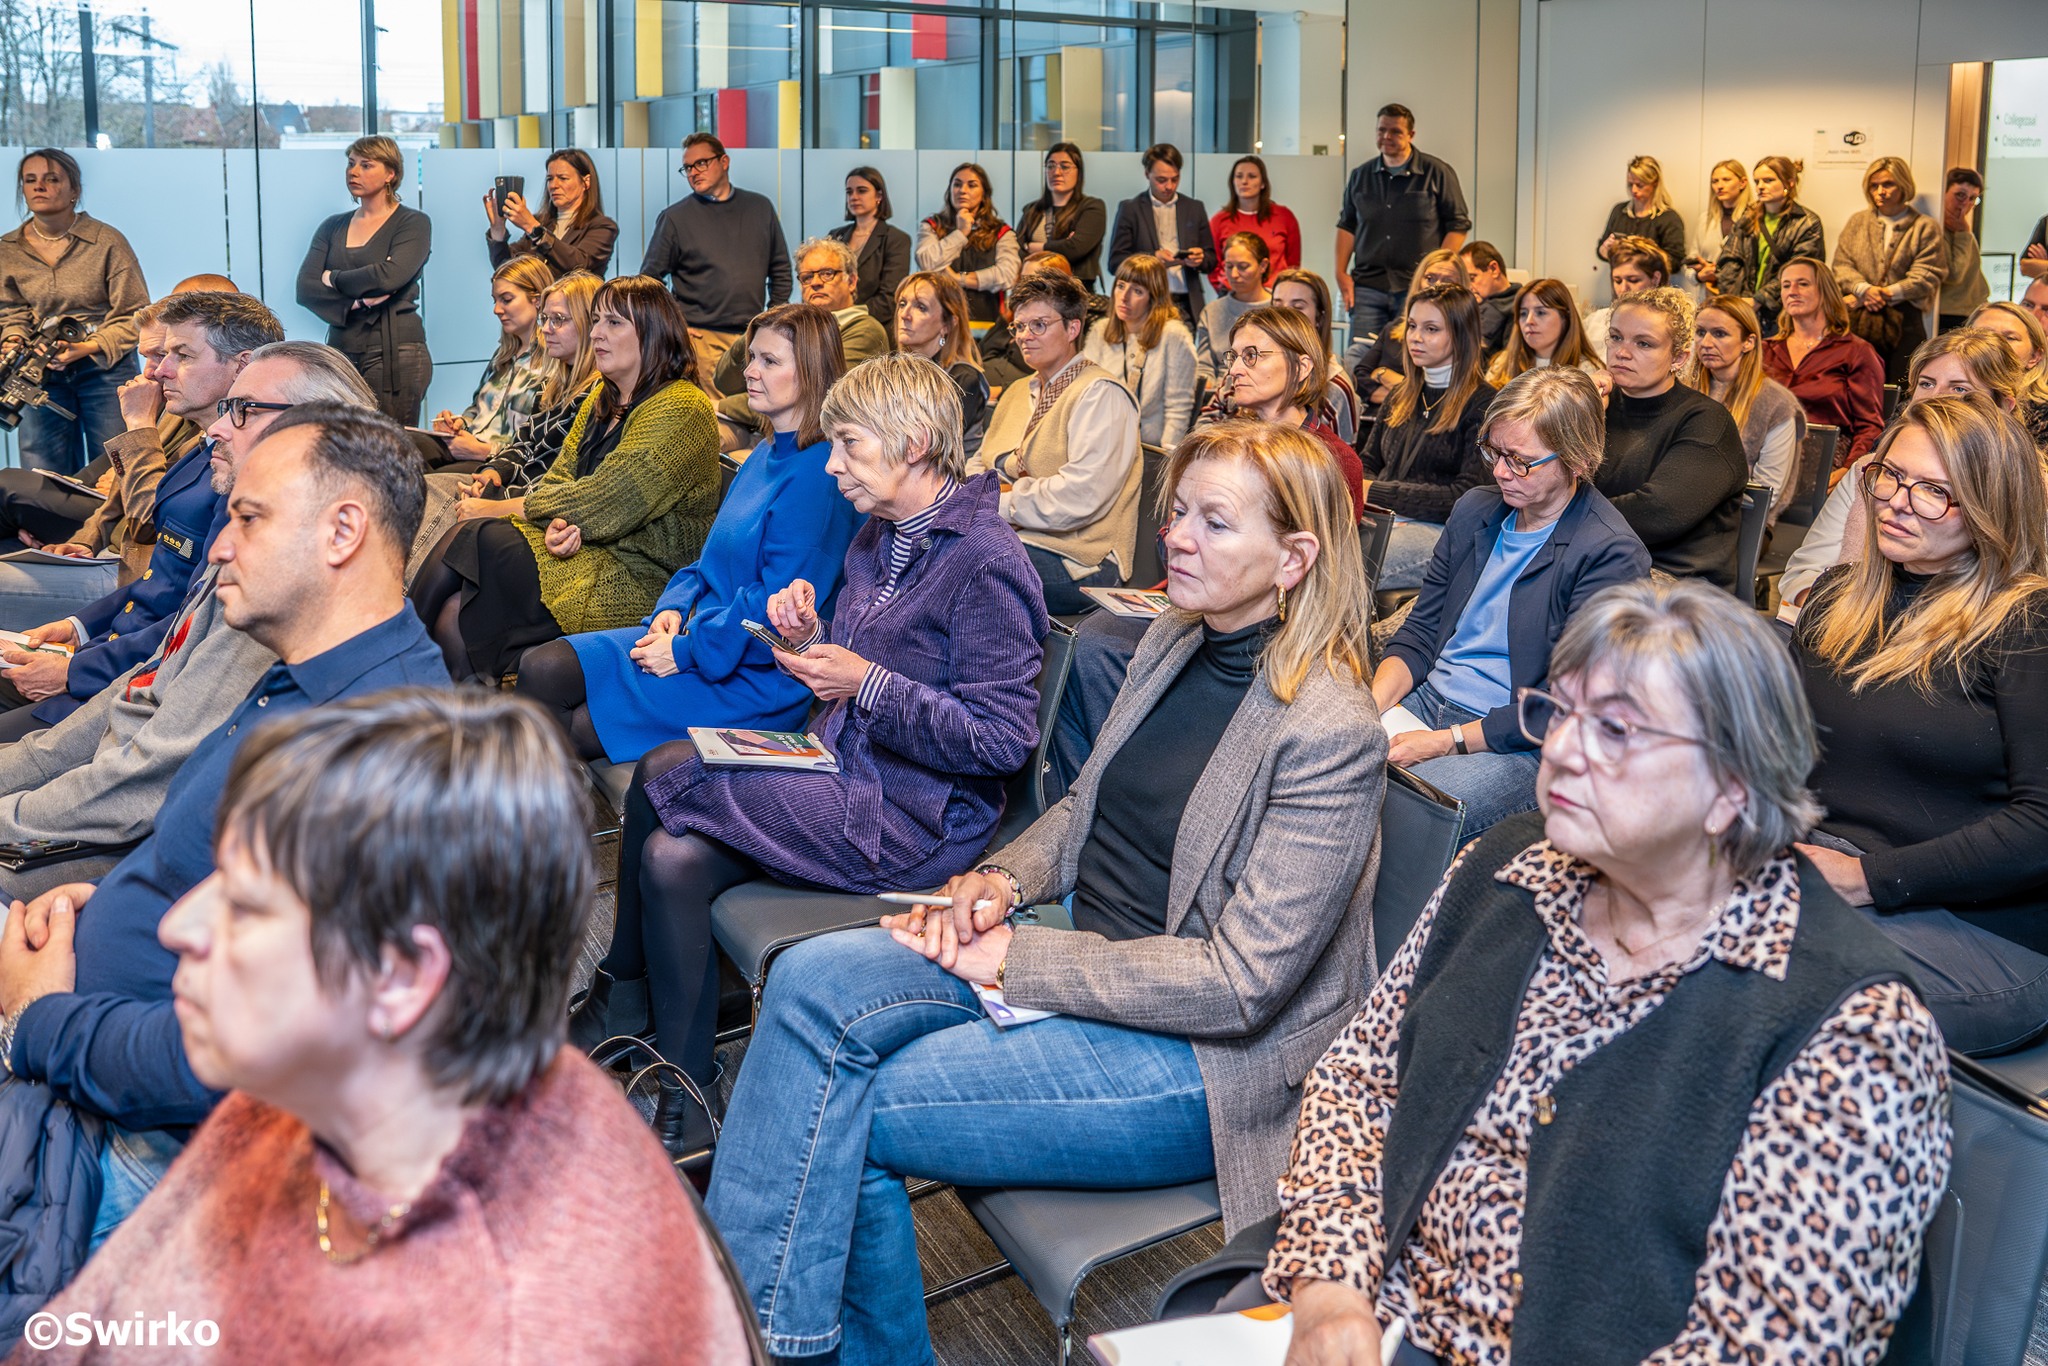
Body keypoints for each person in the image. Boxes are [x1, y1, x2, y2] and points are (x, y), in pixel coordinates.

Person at [708, 419, 1385, 1365]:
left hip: (1206, 1057)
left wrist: (1018, 956)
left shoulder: (1330, 729)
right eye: (1179, 510)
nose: (1177, 536)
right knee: (808, 981)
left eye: (1215, 524)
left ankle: (758, 1338)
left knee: (835, 1107)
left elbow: (1242, 984)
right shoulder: (1172, 641)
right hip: (1080, 948)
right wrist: (1000, 880)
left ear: (1294, 557)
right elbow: (1085, 806)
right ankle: (760, 1333)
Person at [1266, 578, 1948, 1366]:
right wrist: (1331, 1291)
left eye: (1618, 731)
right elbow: (1360, 1083)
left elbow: (1764, 1347)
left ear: (1731, 787)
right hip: (1374, 1313)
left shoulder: (1852, 1030)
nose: (1560, 751)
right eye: (1560, 712)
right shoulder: (1509, 867)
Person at [24, 687, 751, 1364]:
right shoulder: (358, 1085)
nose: (180, 925)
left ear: (402, 977)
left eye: (245, 904)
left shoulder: (507, 1328)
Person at [569, 356, 1046, 1156]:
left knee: (662, 776)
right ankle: (689, 1083)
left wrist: (865, 681)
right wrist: (811, 641)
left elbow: (999, 740)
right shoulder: (881, 535)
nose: (832, 465)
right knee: (671, 856)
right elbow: (862, 668)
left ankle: (625, 996)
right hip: (842, 767)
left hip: (911, 817)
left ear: (917, 444)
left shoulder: (986, 560)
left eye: (849, 446)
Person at [0, 403, 449, 1251]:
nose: (217, 546)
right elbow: (195, 864)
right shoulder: (306, 676)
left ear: (342, 531)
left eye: (248, 517)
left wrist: (33, 1020)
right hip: (86, 1020)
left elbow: (243, 1061)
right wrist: (91, 901)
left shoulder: (371, 747)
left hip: (145, 1140)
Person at [0, 344, 380, 863]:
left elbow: (149, 779)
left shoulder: (286, 583)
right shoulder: (257, 542)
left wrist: (11, 815)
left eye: (241, 410)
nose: (217, 429)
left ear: (316, 426)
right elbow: (140, 692)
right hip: (112, 793)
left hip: (139, 836)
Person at [1793, 397, 2048, 1055]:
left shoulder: (2025, 627)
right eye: (1893, 476)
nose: (1900, 502)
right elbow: (1778, 749)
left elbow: (2042, 826)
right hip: (1824, 869)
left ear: (1992, 509)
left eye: (1937, 491)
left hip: (1981, 928)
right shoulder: (1836, 599)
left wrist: (1867, 879)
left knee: (1764, 980)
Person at [512, 303, 860, 767]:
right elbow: (708, 559)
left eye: (769, 361)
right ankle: (522, 825)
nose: (750, 372)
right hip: (703, 638)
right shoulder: (762, 455)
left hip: (747, 679)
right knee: (540, 666)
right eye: (751, 357)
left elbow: (775, 610)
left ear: (812, 373)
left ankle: (531, 831)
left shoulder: (819, 474)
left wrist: (686, 649)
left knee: (562, 726)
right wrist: (671, 608)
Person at [1375, 368, 1650, 835]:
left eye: (1521, 461)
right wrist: (1370, 707)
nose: (1501, 471)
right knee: (1328, 767)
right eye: (1495, 452)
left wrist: (1443, 743)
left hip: (1517, 738)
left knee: (1407, 820)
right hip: (1428, 700)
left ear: (1578, 460)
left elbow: (1559, 707)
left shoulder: (1610, 554)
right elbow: (1421, 633)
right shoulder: (1477, 510)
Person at [407, 276, 720, 683]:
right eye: (595, 321)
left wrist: (511, 510)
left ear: (652, 333)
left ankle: (393, 650)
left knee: (480, 535)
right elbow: (559, 481)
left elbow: (606, 502)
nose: (597, 333)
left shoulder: (682, 406)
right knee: (453, 615)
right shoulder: (602, 398)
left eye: (613, 323)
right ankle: (460, 727)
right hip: (580, 553)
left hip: (638, 576)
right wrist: (556, 523)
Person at [0, 292, 285, 725]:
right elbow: (157, 576)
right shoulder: (200, 440)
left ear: (242, 366)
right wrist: (79, 626)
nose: (158, 371)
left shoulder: (247, 469)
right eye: (158, 354)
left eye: (179, 355)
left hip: (137, 680)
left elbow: (188, 603)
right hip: (118, 638)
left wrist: (74, 670)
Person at [1778, 326, 2032, 609]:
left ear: (2003, 407)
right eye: (1926, 383)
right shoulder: (1870, 471)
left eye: (1959, 388)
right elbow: (1803, 573)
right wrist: (1840, 615)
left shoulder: (2031, 490)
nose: (1934, 398)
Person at [970, 272, 1141, 615]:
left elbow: (1079, 497)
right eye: (1019, 327)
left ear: (1073, 328)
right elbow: (978, 462)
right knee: (925, 543)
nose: (1024, 337)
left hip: (1082, 560)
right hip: (1014, 535)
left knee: (967, 564)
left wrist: (995, 502)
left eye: (1039, 325)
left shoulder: (1100, 393)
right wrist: (978, 494)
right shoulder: (1019, 391)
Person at [0, 149, 150, 476]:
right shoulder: (7, 249)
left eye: (52, 179)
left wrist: (87, 346)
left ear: (74, 190)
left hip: (105, 368)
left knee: (114, 466)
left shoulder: (106, 241)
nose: (39, 187)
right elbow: (10, 312)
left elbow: (137, 314)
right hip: (38, 371)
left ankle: (111, 529)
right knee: (42, 470)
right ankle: (46, 528)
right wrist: (13, 339)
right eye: (30, 180)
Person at [1596, 286, 1749, 589]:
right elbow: (1539, 474)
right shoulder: (1600, 405)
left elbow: (1656, 514)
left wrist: (1558, 510)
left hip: (1678, 586)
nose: (1622, 352)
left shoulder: (1706, 421)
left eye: (1644, 343)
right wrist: (1579, 410)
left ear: (1679, 358)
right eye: (1616, 337)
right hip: (1604, 561)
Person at [1359, 284, 1497, 590]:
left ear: (1461, 336)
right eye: (1411, 326)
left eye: (1431, 328)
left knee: (1349, 567)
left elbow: (1469, 496)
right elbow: (1368, 462)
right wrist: (1366, 491)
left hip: (1443, 531)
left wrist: (1376, 492)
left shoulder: (1484, 404)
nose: (1415, 337)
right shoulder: (1400, 395)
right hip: (1385, 521)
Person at [294, 136, 433, 426]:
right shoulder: (332, 225)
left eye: (366, 165)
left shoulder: (413, 223)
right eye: (351, 163)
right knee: (343, 445)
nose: (353, 171)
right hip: (342, 349)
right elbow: (306, 287)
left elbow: (389, 277)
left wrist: (333, 277)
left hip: (397, 350)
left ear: (390, 174)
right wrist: (356, 301)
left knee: (390, 446)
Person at [639, 133, 794, 389]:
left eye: (701, 163)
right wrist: (674, 326)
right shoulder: (675, 218)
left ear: (724, 161)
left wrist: (772, 321)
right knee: (718, 419)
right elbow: (649, 282)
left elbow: (780, 270)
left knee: (757, 414)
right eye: (687, 167)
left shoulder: (759, 207)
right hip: (702, 338)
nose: (693, 172)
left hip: (754, 335)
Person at [711, 237, 889, 447]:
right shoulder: (789, 328)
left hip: (816, 439)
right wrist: (763, 327)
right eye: (806, 277)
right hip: (764, 426)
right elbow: (724, 382)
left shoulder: (864, 329)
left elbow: (817, 395)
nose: (815, 282)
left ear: (851, 281)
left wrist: (721, 406)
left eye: (827, 273)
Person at [1204, 305, 1363, 516]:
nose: (1234, 370)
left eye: (1251, 355)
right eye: (1233, 357)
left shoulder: (1337, 461)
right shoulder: (1228, 441)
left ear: (1301, 367)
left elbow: (1331, 547)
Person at [1335, 103, 1472, 347]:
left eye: (1395, 131)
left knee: (1412, 353)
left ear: (1411, 135)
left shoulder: (1437, 172)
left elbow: (1458, 224)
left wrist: (1438, 271)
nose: (1386, 136)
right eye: (1381, 130)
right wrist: (1340, 272)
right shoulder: (1360, 175)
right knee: (1361, 354)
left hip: (1417, 285)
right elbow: (1347, 225)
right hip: (1368, 285)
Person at [465, 270, 604, 499]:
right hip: (513, 487)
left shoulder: (598, 394)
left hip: (531, 503)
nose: (546, 328)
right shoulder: (552, 387)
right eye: (545, 319)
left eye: (558, 320)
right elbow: (523, 444)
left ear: (588, 324)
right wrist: (493, 471)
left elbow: (559, 480)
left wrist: (495, 499)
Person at [1832, 156, 1946, 384]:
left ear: (1903, 184)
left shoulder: (1924, 226)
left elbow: (1928, 273)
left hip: (1905, 322)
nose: (1880, 192)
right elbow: (1841, 265)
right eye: (1874, 186)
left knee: (1900, 387)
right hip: (1859, 321)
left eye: (1888, 184)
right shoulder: (1858, 221)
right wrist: (1864, 289)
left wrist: (1884, 293)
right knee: (1855, 385)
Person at [1686, 294, 1803, 518]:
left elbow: (1766, 493)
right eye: (1700, 332)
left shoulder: (1776, 402)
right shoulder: (1683, 390)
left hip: (1744, 520)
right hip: (1684, 512)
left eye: (1720, 334)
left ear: (1748, 342)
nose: (1706, 343)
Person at [430, 255, 556, 462]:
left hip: (501, 463)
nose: (496, 310)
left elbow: (546, 445)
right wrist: (458, 423)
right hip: (467, 450)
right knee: (401, 446)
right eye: (495, 300)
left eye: (506, 300)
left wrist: (485, 451)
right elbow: (475, 410)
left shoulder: (554, 362)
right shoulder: (503, 356)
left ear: (537, 300)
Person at [1763, 256, 1887, 465]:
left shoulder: (1856, 351)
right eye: (1786, 285)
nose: (1792, 291)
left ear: (1825, 291)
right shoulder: (1765, 350)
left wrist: (1849, 471)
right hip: (1765, 453)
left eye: (1803, 283)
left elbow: (1869, 427)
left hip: (1824, 460)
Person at [1085, 253, 1197, 449]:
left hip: (1149, 448)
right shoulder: (1100, 330)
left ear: (1154, 298)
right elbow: (1085, 394)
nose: (1124, 297)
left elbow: (1178, 409)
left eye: (1137, 291)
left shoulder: (1174, 335)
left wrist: (1166, 462)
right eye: (1120, 286)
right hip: (1103, 443)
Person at [1106, 144, 1218, 330]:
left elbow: (1211, 261)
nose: (1169, 186)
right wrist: (1152, 258)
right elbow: (1115, 263)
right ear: (1146, 174)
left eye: (1175, 179)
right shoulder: (1131, 209)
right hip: (1145, 300)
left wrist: (1200, 258)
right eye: (1161, 180)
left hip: (1185, 301)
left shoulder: (1194, 208)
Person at [1715, 154, 1825, 334]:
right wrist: (1735, 302)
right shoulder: (1749, 216)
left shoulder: (1806, 222)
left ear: (1789, 183)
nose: (1760, 187)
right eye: (1757, 181)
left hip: (1784, 313)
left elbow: (1800, 271)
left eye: (1768, 180)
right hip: (1744, 311)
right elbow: (1730, 259)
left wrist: (1759, 300)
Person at [1350, 248, 1467, 412]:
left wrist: (1384, 375)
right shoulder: (1393, 329)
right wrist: (1391, 380)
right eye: (1430, 278)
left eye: (1447, 280)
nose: (1437, 286)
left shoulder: (1467, 341)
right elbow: (1360, 377)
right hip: (1379, 417)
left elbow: (1443, 394)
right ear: (1419, 281)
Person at [483, 146, 618, 278]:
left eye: (563, 178)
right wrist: (498, 229)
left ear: (586, 182)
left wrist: (532, 228)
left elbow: (579, 266)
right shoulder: (542, 222)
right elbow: (507, 269)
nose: (553, 185)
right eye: (550, 179)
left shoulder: (602, 226)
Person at [894, 271, 990, 451]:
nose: (905, 314)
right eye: (902, 303)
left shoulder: (963, 379)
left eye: (921, 307)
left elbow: (930, 449)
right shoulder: (893, 370)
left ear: (947, 324)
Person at [915, 162, 1018, 326]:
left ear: (984, 194)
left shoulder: (1001, 232)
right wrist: (961, 233)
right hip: (939, 321)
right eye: (957, 184)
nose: (962, 191)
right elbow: (927, 262)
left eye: (972, 185)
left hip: (987, 322)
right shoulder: (932, 225)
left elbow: (1008, 275)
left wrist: (958, 279)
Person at [1271, 268, 1362, 444]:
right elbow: (1211, 416)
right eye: (1277, 305)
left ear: (1319, 318)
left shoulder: (1335, 388)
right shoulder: (1249, 364)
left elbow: (1342, 466)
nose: (1283, 316)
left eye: (1298, 307)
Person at [828, 166, 912, 332]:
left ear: (879, 196)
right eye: (849, 192)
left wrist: (850, 316)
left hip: (875, 329)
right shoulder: (835, 236)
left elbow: (889, 298)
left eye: (862, 191)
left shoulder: (896, 239)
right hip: (833, 326)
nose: (854, 197)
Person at [1484, 276, 1605, 388]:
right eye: (1523, 313)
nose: (1529, 321)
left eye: (1540, 313)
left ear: (1565, 318)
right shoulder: (1503, 364)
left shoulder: (1586, 371)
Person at [1017, 143, 1108, 289]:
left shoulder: (1091, 207)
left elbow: (1075, 248)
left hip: (1074, 291)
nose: (1056, 172)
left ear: (1079, 172)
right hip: (1033, 290)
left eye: (1065, 166)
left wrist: (1034, 247)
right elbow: (1017, 248)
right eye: (1050, 166)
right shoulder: (1032, 210)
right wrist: (1061, 245)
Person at [1208, 155, 1300, 294]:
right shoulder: (1219, 220)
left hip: (1275, 295)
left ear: (1263, 183)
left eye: (1252, 176)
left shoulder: (1284, 216)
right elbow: (1213, 265)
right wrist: (1225, 289)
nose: (1244, 181)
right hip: (1232, 294)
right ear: (1232, 182)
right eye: (1239, 176)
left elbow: (1293, 263)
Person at [1967, 298, 2048, 446]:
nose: (1994, 343)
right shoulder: (1939, 388)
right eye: (1983, 334)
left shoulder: (2043, 416)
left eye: (2010, 338)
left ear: (2035, 357)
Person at [1195, 232, 1274, 384]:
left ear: (1263, 266)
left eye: (1243, 267)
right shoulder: (1211, 312)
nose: (1234, 274)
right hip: (1220, 397)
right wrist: (1207, 387)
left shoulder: (1279, 309)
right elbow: (1205, 367)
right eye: (1229, 266)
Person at [1583, 234, 1671, 362]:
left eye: (1633, 280)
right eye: (1617, 280)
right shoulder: (1595, 321)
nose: (1623, 289)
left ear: (1656, 279)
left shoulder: (1670, 325)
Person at [1595, 153, 1686, 273]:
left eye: (1640, 185)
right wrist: (1606, 249)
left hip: (1652, 289)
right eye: (1630, 184)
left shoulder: (1668, 218)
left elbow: (1675, 262)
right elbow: (1601, 251)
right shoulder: (1619, 211)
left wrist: (1645, 255)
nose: (1634, 190)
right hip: (1621, 285)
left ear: (1654, 184)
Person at [1685, 158, 1752, 292]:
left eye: (1726, 180)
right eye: (1715, 181)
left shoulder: (1753, 219)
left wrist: (1721, 273)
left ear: (1742, 183)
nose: (1719, 186)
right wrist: (1699, 276)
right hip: (1709, 297)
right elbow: (1691, 262)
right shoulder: (1705, 219)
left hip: (1741, 298)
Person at [1937, 167, 1988, 333]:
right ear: (1943, 192)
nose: (1965, 203)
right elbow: (1954, 274)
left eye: (1973, 198)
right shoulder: (1935, 229)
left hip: (1972, 311)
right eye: (1960, 195)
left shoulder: (1961, 229)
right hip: (1949, 314)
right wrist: (1964, 234)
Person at [1458, 239, 1521, 353]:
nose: (1468, 287)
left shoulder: (1521, 305)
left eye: (1472, 278)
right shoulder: (1471, 304)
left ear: (1493, 269)